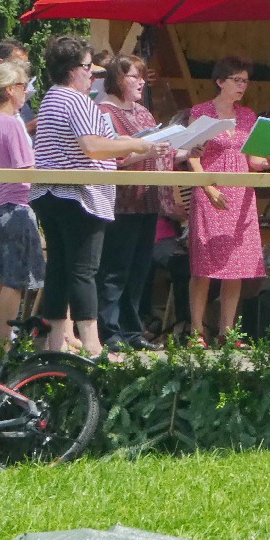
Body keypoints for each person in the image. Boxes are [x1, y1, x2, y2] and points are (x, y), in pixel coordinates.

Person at [31, 34, 159, 358]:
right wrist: (137, 143)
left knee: (59, 269)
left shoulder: (51, 98)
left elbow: (96, 144)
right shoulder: (77, 100)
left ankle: (56, 341)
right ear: (72, 69)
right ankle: (92, 344)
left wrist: (130, 146)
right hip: (79, 196)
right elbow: (92, 145)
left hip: (51, 193)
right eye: (89, 68)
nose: (93, 74)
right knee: (83, 270)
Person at [183, 56, 270, 343]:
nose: (242, 86)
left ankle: (227, 331)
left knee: (236, 267)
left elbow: (253, 159)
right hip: (210, 190)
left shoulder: (247, 116)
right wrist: (208, 189)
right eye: (237, 80)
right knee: (204, 267)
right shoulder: (202, 112)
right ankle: (196, 331)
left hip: (241, 194)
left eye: (245, 81)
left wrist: (269, 161)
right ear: (220, 81)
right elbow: (192, 157)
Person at [95, 54, 170, 350]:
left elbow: (159, 151)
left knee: (139, 269)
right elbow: (110, 158)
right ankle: (109, 331)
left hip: (148, 199)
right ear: (117, 79)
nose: (141, 82)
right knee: (115, 269)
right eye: (134, 77)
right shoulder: (104, 112)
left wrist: (184, 149)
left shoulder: (144, 113)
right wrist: (145, 153)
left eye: (142, 77)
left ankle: (131, 331)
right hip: (121, 202)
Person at [0, 61, 44, 348]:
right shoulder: (12, 123)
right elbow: (26, 168)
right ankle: (5, 343)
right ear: (12, 89)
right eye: (24, 87)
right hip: (15, 207)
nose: (27, 93)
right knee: (14, 282)